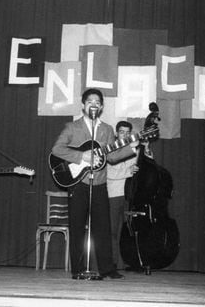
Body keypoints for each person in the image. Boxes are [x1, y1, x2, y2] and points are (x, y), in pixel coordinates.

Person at [52, 89, 138, 279]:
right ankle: (78, 269)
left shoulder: (107, 129)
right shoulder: (72, 127)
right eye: (90, 101)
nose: (94, 104)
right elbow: (57, 149)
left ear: (101, 107)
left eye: (97, 102)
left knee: (103, 228)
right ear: (83, 105)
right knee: (77, 227)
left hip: (99, 184)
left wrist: (130, 148)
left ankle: (107, 269)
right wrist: (80, 156)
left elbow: (113, 157)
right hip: (78, 183)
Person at [107, 121, 153, 269]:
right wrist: (128, 171)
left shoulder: (134, 149)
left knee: (124, 231)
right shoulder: (112, 149)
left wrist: (146, 149)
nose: (125, 135)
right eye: (122, 132)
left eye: (128, 133)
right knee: (113, 230)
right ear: (116, 134)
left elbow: (148, 164)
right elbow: (109, 172)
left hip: (129, 194)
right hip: (114, 193)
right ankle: (113, 262)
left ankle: (122, 261)